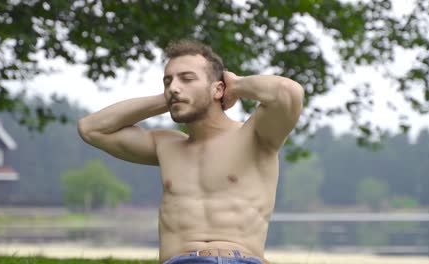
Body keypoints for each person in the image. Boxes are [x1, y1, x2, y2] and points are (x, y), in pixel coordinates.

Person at [78, 39, 304, 264]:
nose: (174, 87)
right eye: (168, 82)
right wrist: (166, 99)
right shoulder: (165, 145)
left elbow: (287, 92)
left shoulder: (255, 136)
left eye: (187, 79)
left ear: (217, 89)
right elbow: (91, 129)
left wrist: (235, 85)